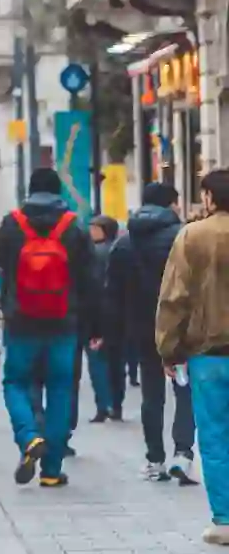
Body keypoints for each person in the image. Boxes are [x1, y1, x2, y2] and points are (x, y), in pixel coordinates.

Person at [0, 167, 101, 489]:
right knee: (61, 389)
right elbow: (91, 280)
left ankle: (28, 436)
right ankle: (51, 469)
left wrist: (4, 304)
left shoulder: (13, 224)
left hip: (21, 323)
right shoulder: (73, 227)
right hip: (64, 323)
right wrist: (94, 325)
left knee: (15, 382)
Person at [156, 169, 229, 545]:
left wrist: (169, 348)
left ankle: (225, 519)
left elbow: (174, 298)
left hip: (208, 353)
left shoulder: (192, 236)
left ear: (210, 197)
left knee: (215, 436)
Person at [111, 181, 196, 483]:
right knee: (184, 388)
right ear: (171, 204)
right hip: (180, 327)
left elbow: (114, 292)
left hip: (142, 328)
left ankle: (154, 458)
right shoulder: (182, 237)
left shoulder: (123, 243)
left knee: (151, 393)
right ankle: (183, 454)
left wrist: (118, 330)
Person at [87, 215, 125, 424]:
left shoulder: (95, 254)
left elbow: (92, 289)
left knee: (98, 362)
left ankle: (104, 405)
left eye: (95, 228)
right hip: (118, 314)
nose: (91, 231)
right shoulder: (119, 250)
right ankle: (116, 404)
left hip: (99, 314)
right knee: (116, 362)